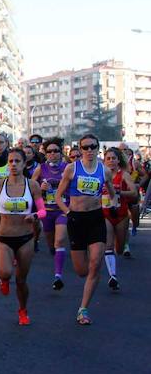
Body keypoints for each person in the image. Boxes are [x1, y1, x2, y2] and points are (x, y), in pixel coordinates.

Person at [55, 134, 116, 325]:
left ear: (98, 148)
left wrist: (112, 203)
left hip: (96, 219)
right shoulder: (72, 169)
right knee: (81, 270)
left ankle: (83, 309)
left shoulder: (104, 171)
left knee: (96, 262)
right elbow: (58, 196)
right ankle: (87, 279)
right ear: (80, 149)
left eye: (93, 147)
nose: (89, 150)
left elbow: (112, 192)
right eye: (85, 147)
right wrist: (67, 212)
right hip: (76, 220)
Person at [0, 148, 46, 325]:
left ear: (24, 164)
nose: (14, 164)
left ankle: (23, 310)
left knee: (21, 280)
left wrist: (35, 216)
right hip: (4, 237)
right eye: (11, 161)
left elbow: (42, 210)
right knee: (5, 272)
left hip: (26, 238)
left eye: (17, 161)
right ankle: (2, 279)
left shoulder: (32, 185)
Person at [32, 138, 69, 290]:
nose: (53, 154)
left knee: (59, 240)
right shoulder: (40, 168)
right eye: (49, 151)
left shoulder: (68, 168)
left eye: (56, 151)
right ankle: (56, 255)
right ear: (45, 154)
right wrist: (41, 188)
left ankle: (58, 276)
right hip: (47, 211)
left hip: (63, 209)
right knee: (51, 244)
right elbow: (31, 189)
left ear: (61, 153)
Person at [100, 147, 136, 292]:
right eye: (108, 158)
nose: (111, 161)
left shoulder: (124, 175)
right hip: (105, 213)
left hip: (121, 215)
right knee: (108, 246)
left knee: (119, 248)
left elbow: (134, 192)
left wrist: (119, 192)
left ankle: (118, 250)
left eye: (113, 158)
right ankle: (113, 276)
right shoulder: (100, 174)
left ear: (118, 160)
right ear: (105, 160)